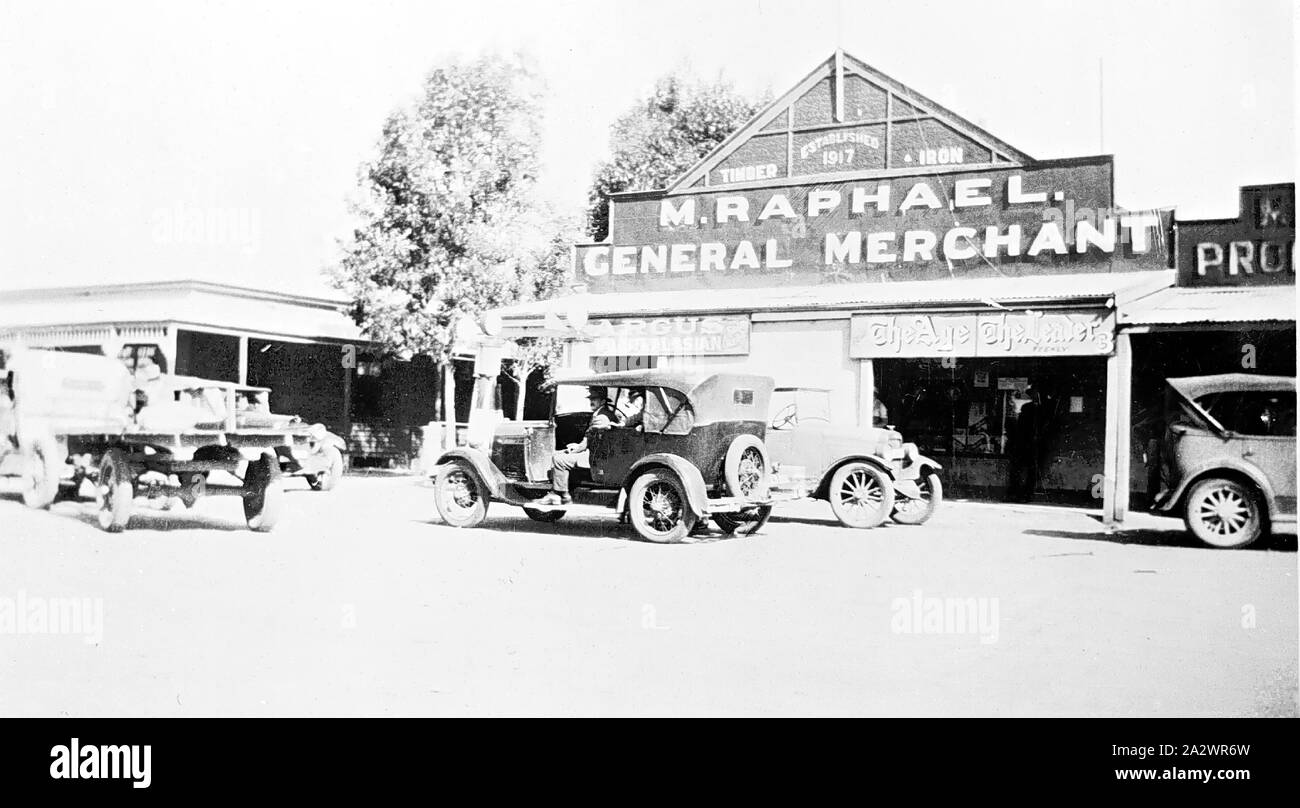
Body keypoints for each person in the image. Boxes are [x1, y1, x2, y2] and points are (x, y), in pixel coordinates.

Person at [538, 387, 619, 505]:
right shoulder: (606, 414)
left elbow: (591, 439)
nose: (591, 401)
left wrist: (578, 448)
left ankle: (560, 494)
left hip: (597, 458)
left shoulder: (601, 417)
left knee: (558, 459)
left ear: (602, 401)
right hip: (602, 454)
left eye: (595, 399)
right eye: (591, 398)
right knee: (562, 454)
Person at [1004, 384, 1042, 503]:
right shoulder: (1036, 409)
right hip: (1030, 445)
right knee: (1029, 471)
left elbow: (1019, 427)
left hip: (1023, 444)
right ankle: (1025, 494)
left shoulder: (1027, 409)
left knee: (1018, 470)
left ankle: (1016, 494)